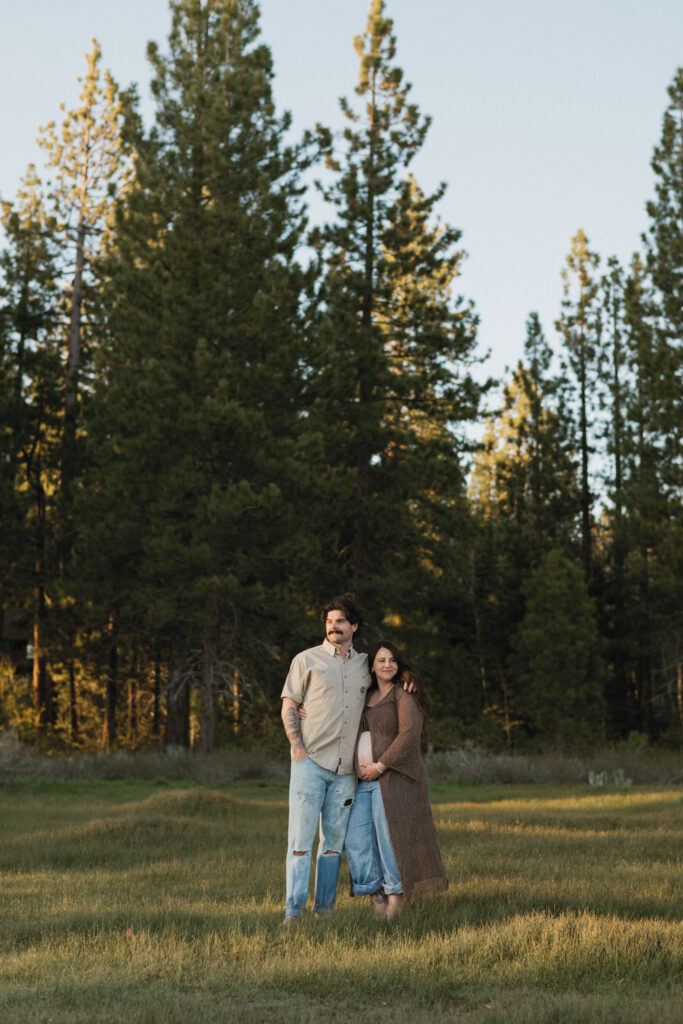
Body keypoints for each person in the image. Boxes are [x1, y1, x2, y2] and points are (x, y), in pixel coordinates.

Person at [280, 595, 370, 925]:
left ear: (354, 626)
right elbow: (289, 705)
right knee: (300, 843)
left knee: (333, 846)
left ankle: (325, 912)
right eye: (330, 621)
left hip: (347, 770)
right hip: (310, 763)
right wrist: (298, 748)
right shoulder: (306, 660)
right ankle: (293, 912)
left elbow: (388, 688)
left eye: (341, 621)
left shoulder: (365, 665)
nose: (334, 626)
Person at [344, 640, 448, 919]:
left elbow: (409, 735)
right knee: (356, 839)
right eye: (381, 660)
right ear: (373, 667)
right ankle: (376, 894)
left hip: (391, 777)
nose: (387, 664)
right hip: (361, 780)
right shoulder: (364, 696)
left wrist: (379, 766)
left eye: (392, 660)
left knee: (389, 838)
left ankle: (395, 899)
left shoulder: (404, 695)